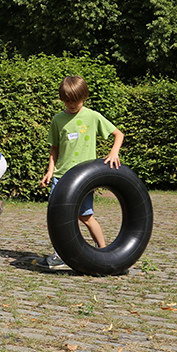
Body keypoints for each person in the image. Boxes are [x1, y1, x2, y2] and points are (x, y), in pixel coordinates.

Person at [36, 76, 124, 271]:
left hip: (84, 177)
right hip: (61, 176)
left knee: (85, 216)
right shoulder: (58, 119)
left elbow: (118, 134)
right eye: (67, 100)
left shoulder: (93, 116)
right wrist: (50, 170)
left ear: (84, 97)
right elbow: (55, 148)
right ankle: (60, 255)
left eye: (75, 100)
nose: (71, 104)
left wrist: (113, 152)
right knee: (58, 216)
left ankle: (105, 252)